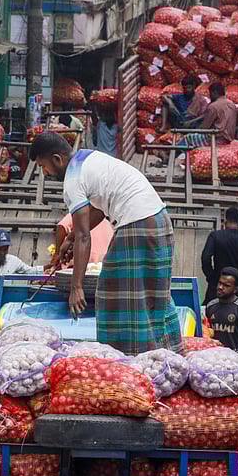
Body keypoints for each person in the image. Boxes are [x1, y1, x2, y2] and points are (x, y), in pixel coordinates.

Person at [30, 132, 182, 356]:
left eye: (43, 166)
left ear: (57, 159)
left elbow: (84, 236)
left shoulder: (72, 180)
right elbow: (99, 211)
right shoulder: (90, 158)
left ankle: (127, 359)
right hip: (158, 221)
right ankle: (169, 354)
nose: (45, 173)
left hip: (136, 225)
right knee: (152, 295)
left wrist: (76, 287)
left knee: (114, 295)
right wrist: (69, 238)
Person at [201, 206, 238, 305]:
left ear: (225, 221)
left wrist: (212, 278)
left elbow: (205, 259)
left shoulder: (215, 236)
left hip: (219, 287)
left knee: (211, 316)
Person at [205, 267, 238, 357]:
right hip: (214, 358)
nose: (220, 287)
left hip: (235, 358)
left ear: (235, 289)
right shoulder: (210, 306)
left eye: (226, 285)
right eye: (220, 283)